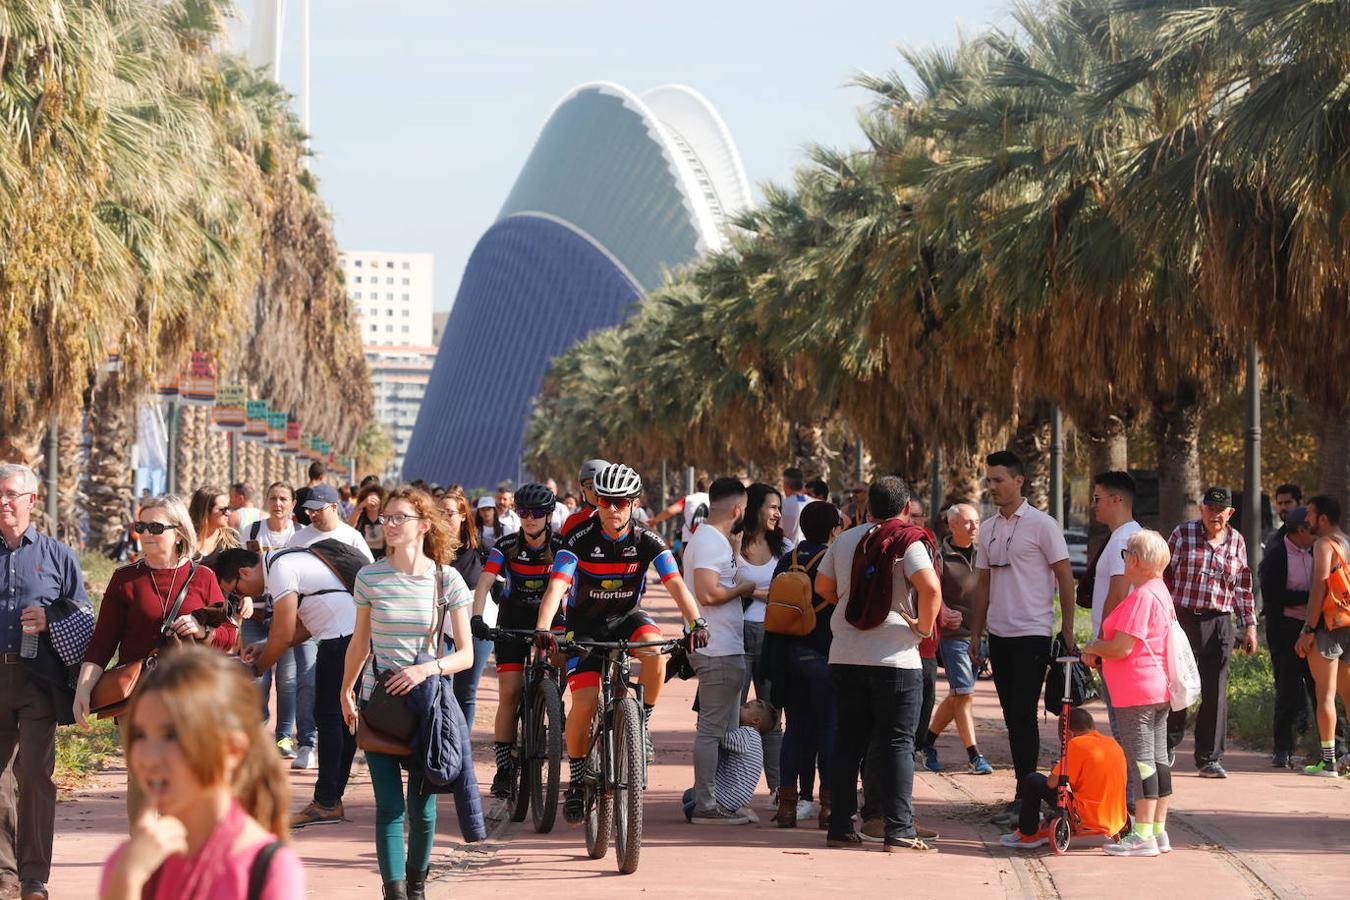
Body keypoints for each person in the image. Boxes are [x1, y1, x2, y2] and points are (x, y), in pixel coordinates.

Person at [533, 463, 707, 824]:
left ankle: (641, 721)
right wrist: (543, 628)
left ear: (635, 503)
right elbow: (557, 587)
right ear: (595, 501)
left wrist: (696, 622)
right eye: (605, 500)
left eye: (621, 502)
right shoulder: (578, 539)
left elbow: (675, 583)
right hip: (584, 626)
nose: (613, 508)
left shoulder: (647, 540)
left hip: (626, 619)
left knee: (657, 650)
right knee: (583, 703)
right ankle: (578, 781)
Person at [340, 487, 475, 900]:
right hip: (378, 704)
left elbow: (466, 655)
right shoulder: (370, 576)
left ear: (424, 525)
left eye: (400, 518)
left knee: (423, 810)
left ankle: (416, 887)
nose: (390, 525)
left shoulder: (445, 579)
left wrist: (425, 669)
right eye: (387, 519)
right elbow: (359, 643)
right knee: (390, 808)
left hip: (427, 710)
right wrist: (345, 690)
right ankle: (395, 893)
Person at [75, 495, 238, 823]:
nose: (146, 533)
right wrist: (83, 689)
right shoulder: (125, 579)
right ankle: (147, 858)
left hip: (190, 694)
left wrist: (202, 629)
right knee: (142, 780)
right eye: (140, 527)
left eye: (154, 527)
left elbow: (229, 638)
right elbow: (102, 643)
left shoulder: (203, 577)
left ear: (178, 532)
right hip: (140, 696)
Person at [97, 646, 305, 900]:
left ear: (231, 750)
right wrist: (128, 881)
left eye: (172, 735)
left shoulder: (265, 869)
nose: (149, 756)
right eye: (140, 735)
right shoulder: (129, 863)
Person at [816, 476, 941, 853]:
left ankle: (840, 826)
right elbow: (931, 588)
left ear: (867, 508)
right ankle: (900, 830)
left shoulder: (845, 539)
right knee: (897, 743)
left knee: (848, 741)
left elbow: (822, 587)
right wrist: (922, 626)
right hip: (896, 657)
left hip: (846, 654)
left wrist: (850, 601)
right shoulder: (908, 540)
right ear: (906, 508)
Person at [209, 541, 358, 829]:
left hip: (341, 639)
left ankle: (327, 802)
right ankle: (331, 797)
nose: (240, 597)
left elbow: (285, 631)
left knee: (329, 718)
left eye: (236, 590)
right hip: (345, 636)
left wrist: (254, 669)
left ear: (244, 572)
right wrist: (264, 647)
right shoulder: (284, 560)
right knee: (340, 718)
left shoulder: (280, 568)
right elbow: (301, 628)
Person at [968, 450, 1076, 826]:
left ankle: (1025, 795)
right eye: (989, 480)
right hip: (999, 634)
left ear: (1019, 481)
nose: (992, 486)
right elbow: (983, 583)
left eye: (999, 479)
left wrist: (1068, 628)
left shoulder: (1043, 525)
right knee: (1013, 717)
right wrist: (975, 633)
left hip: (1032, 632)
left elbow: (1064, 576)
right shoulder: (987, 527)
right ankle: (1023, 789)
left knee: (1024, 714)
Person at [0, 464, 91, 900]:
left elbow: (86, 617)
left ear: (31, 501)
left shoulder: (58, 556)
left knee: (35, 774)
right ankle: (4, 874)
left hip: (38, 679)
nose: (3, 503)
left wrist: (49, 618)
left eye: (10, 494)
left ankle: (34, 877)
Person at [1081, 529, 1176, 856]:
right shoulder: (1160, 591)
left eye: (1125, 556)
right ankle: (1159, 831)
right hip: (1158, 687)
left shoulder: (1141, 597)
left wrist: (1094, 646)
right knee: (1159, 761)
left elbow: (1122, 647)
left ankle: (1142, 834)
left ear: (1134, 560)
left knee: (1142, 763)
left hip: (1136, 689)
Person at [467, 483, 563, 799]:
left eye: (536, 513)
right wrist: (478, 617)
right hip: (513, 618)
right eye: (523, 512)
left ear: (548, 515)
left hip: (553, 620)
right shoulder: (505, 544)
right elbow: (484, 582)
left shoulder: (562, 546)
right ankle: (504, 767)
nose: (530, 519)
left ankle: (555, 706)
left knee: (570, 675)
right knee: (508, 693)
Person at [1164, 486, 1257, 779]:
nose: (1215, 515)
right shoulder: (1182, 534)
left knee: (1215, 691)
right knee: (1178, 683)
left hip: (1220, 622)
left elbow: (1243, 587)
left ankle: (1209, 758)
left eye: (1221, 511)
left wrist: (1250, 626)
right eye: (1210, 509)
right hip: (1183, 620)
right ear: (1201, 509)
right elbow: (1163, 576)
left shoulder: (1237, 542)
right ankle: (1168, 743)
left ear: (1229, 513)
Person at [683, 478, 758, 825]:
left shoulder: (713, 539)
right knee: (713, 731)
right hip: (716, 649)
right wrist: (743, 588)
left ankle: (720, 798)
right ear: (738, 509)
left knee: (725, 729)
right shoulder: (710, 542)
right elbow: (708, 593)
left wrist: (735, 550)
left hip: (722, 647)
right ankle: (705, 804)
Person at [772, 500, 842, 828]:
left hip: (789, 654)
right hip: (825, 652)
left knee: (796, 730)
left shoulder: (788, 559)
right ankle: (828, 807)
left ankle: (787, 806)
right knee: (829, 728)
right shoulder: (833, 558)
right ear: (833, 530)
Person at [241, 484, 314, 764]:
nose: (278, 503)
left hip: (288, 618)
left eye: (284, 499)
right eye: (273, 498)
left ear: (293, 504)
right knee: (256, 677)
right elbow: (242, 569)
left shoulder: (301, 536)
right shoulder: (251, 532)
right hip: (256, 615)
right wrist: (244, 598)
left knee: (287, 680)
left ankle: (284, 736)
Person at [918, 503, 993, 776]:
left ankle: (926, 744)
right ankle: (975, 756)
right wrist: (942, 610)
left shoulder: (985, 553)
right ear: (952, 525)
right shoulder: (939, 557)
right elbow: (928, 591)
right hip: (953, 637)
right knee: (964, 693)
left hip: (981, 634)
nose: (974, 527)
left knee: (958, 695)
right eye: (967, 522)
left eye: (976, 521)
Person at [997, 708, 1127, 851]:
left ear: (1069, 734)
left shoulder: (1076, 744)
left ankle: (1027, 834)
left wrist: (1056, 768)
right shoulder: (1113, 744)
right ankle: (1043, 825)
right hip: (1116, 817)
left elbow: (1051, 783)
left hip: (1087, 818)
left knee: (1033, 780)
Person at [1087, 472, 1143, 781]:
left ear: (1116, 500)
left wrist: (1100, 643)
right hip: (1118, 646)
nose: (1093, 506)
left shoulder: (1125, 539)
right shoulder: (1123, 537)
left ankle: (1133, 805)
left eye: (1097, 499)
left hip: (1118, 648)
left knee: (1126, 733)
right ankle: (1133, 802)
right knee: (1126, 731)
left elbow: (1119, 593)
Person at [738, 482, 790, 804]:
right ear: (754, 507)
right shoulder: (733, 544)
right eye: (771, 506)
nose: (777, 513)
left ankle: (779, 792)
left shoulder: (784, 547)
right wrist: (758, 593)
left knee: (773, 714)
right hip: (737, 635)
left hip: (773, 636)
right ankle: (729, 789)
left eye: (779, 508)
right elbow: (719, 585)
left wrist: (755, 592)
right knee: (733, 715)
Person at [1260, 506, 1321, 767]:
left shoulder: (1318, 551)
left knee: (1321, 690)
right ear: (1298, 532)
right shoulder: (1276, 555)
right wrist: (1312, 597)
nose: (1315, 534)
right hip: (1287, 631)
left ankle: (1332, 748)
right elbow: (1275, 597)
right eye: (1310, 530)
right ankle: (1282, 749)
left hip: (1316, 630)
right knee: (1287, 691)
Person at [1295, 494, 1350, 777]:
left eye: (1310, 514)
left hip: (1327, 627)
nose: (1306, 520)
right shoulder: (1348, 542)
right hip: (1349, 623)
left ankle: (1328, 762)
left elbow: (1319, 588)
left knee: (1325, 695)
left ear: (1323, 518)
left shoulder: (1323, 544)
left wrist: (1307, 629)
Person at [681, 700, 779, 824]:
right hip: (738, 797)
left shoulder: (747, 734)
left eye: (746, 707)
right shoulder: (754, 738)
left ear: (755, 721)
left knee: (690, 807)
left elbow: (720, 738)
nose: (740, 707)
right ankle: (738, 809)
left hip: (727, 796)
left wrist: (707, 724)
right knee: (688, 795)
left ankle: (727, 810)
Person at [438, 492, 490, 726]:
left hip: (475, 623)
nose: (444, 517)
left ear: (462, 517)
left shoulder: (481, 549)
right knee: (442, 684)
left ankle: (461, 748)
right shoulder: (429, 550)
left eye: (449, 513)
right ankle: (444, 742)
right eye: (439, 512)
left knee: (466, 690)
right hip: (440, 624)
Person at [290, 485, 374, 562]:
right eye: (310, 509)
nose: (313, 514)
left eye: (318, 509)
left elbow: (368, 570)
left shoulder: (353, 537)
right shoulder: (298, 538)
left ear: (334, 507)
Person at [650, 477, 711, 556]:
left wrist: (655, 520)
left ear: (697, 487)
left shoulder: (689, 499)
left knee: (689, 567)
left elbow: (670, 511)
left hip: (689, 541)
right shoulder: (714, 500)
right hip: (708, 541)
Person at [188, 486, 240, 566]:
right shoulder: (185, 540)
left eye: (228, 508)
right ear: (205, 512)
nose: (228, 513)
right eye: (223, 509)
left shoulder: (231, 539)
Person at [560, 459, 609, 536]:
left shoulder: (620, 517)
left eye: (602, 484)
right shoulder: (573, 521)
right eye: (590, 486)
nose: (596, 491)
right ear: (583, 490)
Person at [1263, 483, 1303, 553]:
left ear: (1299, 504)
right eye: (1280, 503)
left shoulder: (1311, 536)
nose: (1283, 507)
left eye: (1288, 503)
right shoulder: (1273, 540)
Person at [353, 484, 387, 560]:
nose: (372, 502)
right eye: (369, 499)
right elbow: (349, 527)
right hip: (363, 558)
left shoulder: (384, 518)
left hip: (382, 559)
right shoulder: (360, 518)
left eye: (376, 499)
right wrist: (360, 506)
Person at [779, 468, 809, 546]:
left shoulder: (781, 504)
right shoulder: (815, 502)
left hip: (788, 552)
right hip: (810, 553)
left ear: (786, 485)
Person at [293, 463, 327, 529]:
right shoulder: (322, 496)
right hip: (316, 533)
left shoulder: (297, 493)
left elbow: (292, 515)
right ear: (322, 477)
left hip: (299, 532)